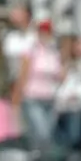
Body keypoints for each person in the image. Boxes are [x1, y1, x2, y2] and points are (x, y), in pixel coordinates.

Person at [15, 18, 62, 147]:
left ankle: (43, 159)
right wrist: (17, 95)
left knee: (48, 133)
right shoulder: (31, 50)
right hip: (33, 96)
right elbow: (23, 74)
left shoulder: (54, 52)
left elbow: (59, 74)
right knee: (42, 132)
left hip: (50, 97)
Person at [54, 34, 81, 152]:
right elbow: (60, 77)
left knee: (74, 137)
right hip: (61, 105)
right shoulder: (59, 61)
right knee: (62, 137)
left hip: (76, 105)